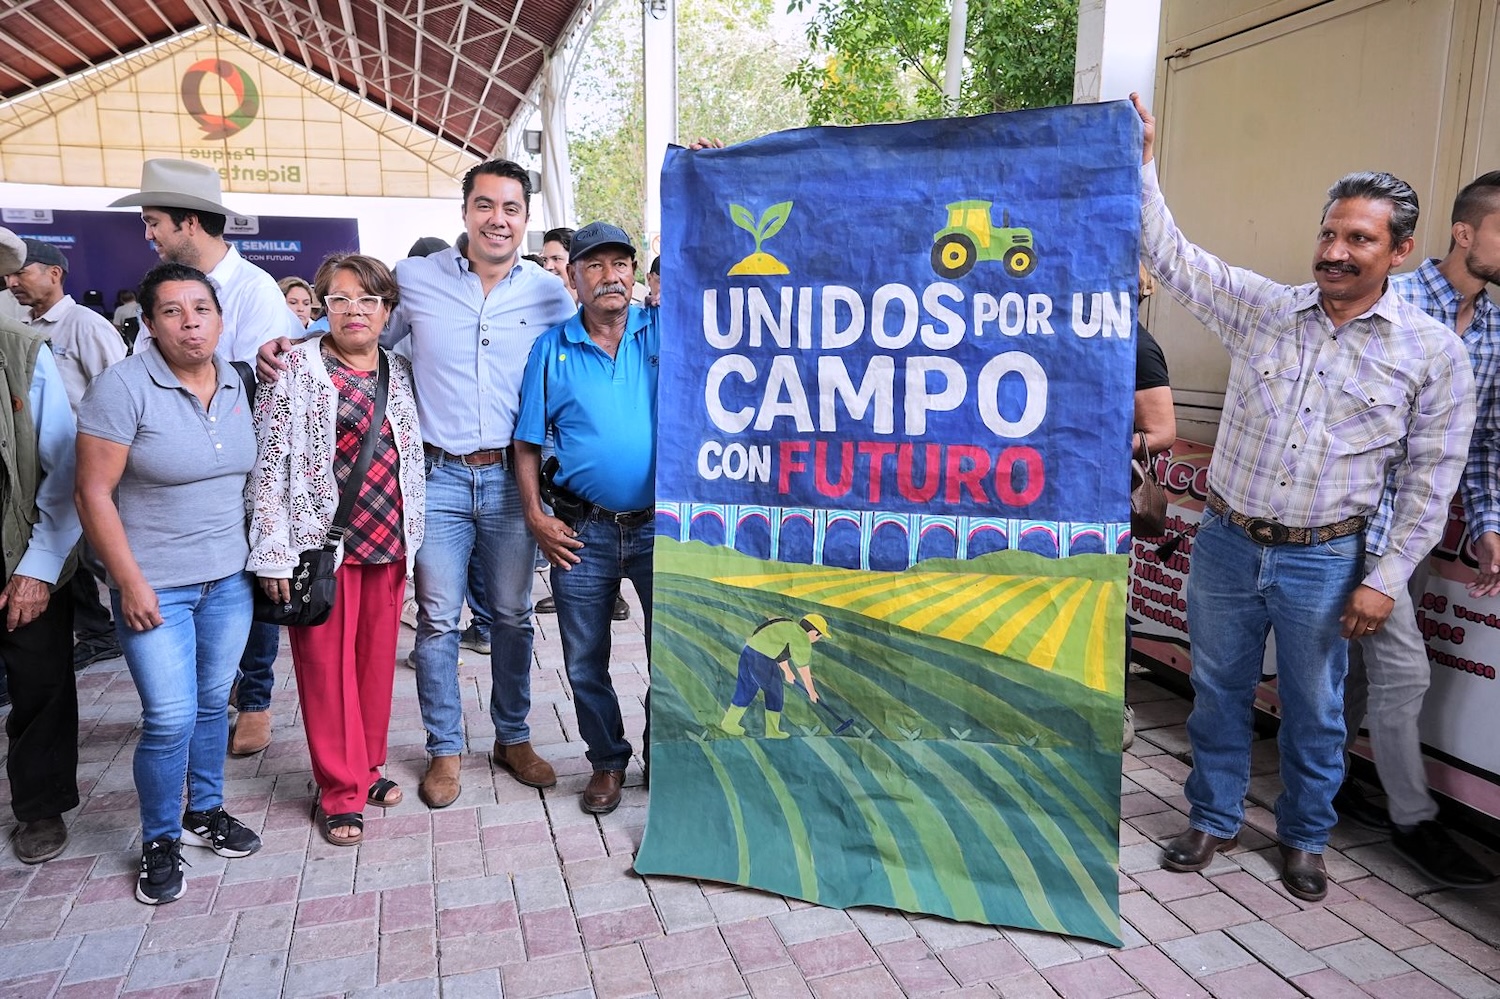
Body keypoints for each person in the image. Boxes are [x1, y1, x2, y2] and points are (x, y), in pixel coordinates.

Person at [1130, 94, 1477, 903]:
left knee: (1316, 710)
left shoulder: (1432, 353)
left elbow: (1431, 480)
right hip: (1226, 542)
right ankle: (1213, 817)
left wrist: (1383, 578)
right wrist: (1143, 163)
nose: (1335, 251)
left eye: (1359, 238)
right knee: (1217, 691)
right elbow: (1173, 258)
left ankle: (1304, 837)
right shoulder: (1265, 310)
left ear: (1400, 251)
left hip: (1327, 558)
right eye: (1329, 233)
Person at [260, 160, 576, 809]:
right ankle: (444, 748)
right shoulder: (417, 278)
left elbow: (575, 372)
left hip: (512, 479)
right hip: (436, 477)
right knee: (436, 620)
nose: (497, 219)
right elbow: (363, 332)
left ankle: (513, 738)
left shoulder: (550, 295)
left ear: (525, 217)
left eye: (511, 208)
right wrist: (290, 345)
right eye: (485, 205)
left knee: (512, 616)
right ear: (465, 212)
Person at [74, 262, 263, 905]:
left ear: (220, 318)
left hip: (228, 581)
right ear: (149, 324)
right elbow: (92, 493)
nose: (190, 324)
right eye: (173, 312)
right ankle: (160, 838)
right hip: (155, 586)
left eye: (201, 309)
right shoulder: (123, 388)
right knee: (169, 716)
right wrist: (128, 582)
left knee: (211, 705)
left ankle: (204, 811)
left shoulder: (236, 381)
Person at [1337, 171, 1500, 888]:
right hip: (1357, 528)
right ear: (1465, 232)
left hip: (1418, 532)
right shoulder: (1388, 298)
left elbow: (1482, 443)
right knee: (1404, 671)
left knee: (1357, 667)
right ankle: (1414, 819)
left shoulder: (1493, 331)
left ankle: (1331, 778)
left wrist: (1488, 523)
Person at [110, 158, 303, 756]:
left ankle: (255, 699)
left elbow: (267, 386)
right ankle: (199, 702)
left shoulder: (254, 290)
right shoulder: (165, 291)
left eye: (154, 222)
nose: (149, 234)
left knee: (252, 579)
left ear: (189, 222)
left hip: (243, 468)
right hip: (169, 472)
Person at [248, 254, 424, 846]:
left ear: (387, 310)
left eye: (369, 300)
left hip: (390, 540)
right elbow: (268, 465)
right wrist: (272, 550)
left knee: (374, 664)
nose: (355, 311)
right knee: (326, 671)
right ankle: (339, 790)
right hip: (320, 547)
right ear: (323, 306)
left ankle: (366, 767)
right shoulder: (293, 367)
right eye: (341, 299)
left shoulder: (399, 370)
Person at [514, 222, 659, 814]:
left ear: (634, 273)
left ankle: (664, 754)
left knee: (669, 652)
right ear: (572, 279)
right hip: (582, 531)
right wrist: (535, 516)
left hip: (662, 528)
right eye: (594, 266)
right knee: (584, 658)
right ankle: (607, 761)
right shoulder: (551, 349)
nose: (610, 276)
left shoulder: (665, 331)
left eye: (620, 264)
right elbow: (526, 442)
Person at [0, 227, 84, 865]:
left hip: (21, 548)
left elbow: (65, 464)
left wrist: (40, 566)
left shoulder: (24, 354)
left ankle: (40, 805)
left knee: (39, 684)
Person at [6, 239, 129, 672]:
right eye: (8, 275)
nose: (11, 282)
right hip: (40, 471)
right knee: (66, 557)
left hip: (92, 470)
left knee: (104, 561)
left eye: (21, 272)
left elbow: (121, 392)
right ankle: (98, 632)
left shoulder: (85, 326)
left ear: (54, 273)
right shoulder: (20, 328)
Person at [1125, 266, 1176, 750]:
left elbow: (1162, 432)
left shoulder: (1138, 347)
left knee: (1106, 597)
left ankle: (1116, 704)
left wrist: (1102, 444)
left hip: (1108, 493)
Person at [719, 614, 830, 739]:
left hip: (748, 652)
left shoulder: (788, 625)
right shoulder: (802, 638)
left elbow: (779, 651)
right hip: (763, 659)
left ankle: (729, 723)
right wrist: (811, 691)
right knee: (775, 692)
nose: (817, 639)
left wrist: (787, 671)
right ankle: (772, 731)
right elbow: (803, 669)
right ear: (814, 632)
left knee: (746, 689)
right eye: (819, 636)